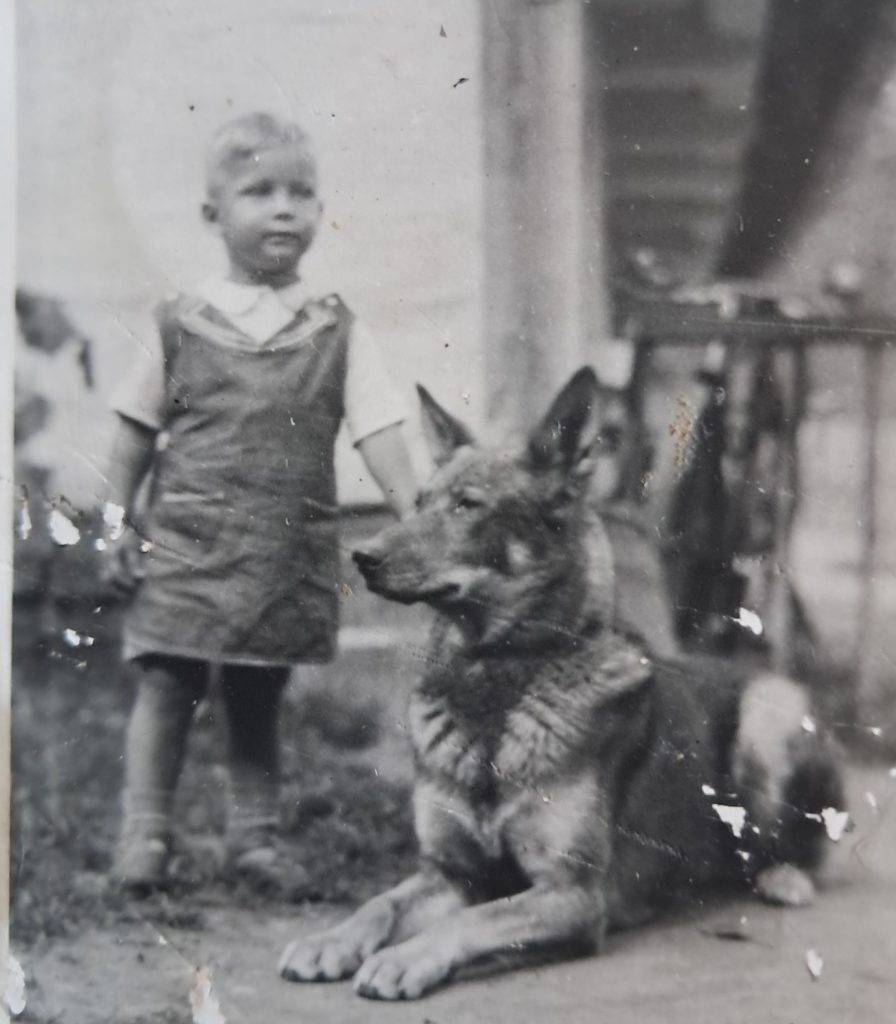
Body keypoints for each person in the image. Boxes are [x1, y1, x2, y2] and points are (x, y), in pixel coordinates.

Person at [101, 112, 417, 894]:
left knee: (256, 689)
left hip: (278, 552)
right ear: (214, 216)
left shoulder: (335, 329)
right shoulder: (179, 323)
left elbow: (378, 424)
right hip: (187, 541)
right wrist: (116, 520)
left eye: (301, 193)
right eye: (259, 191)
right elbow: (133, 430)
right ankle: (145, 835)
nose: (284, 208)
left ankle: (254, 840)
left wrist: (413, 510)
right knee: (168, 682)